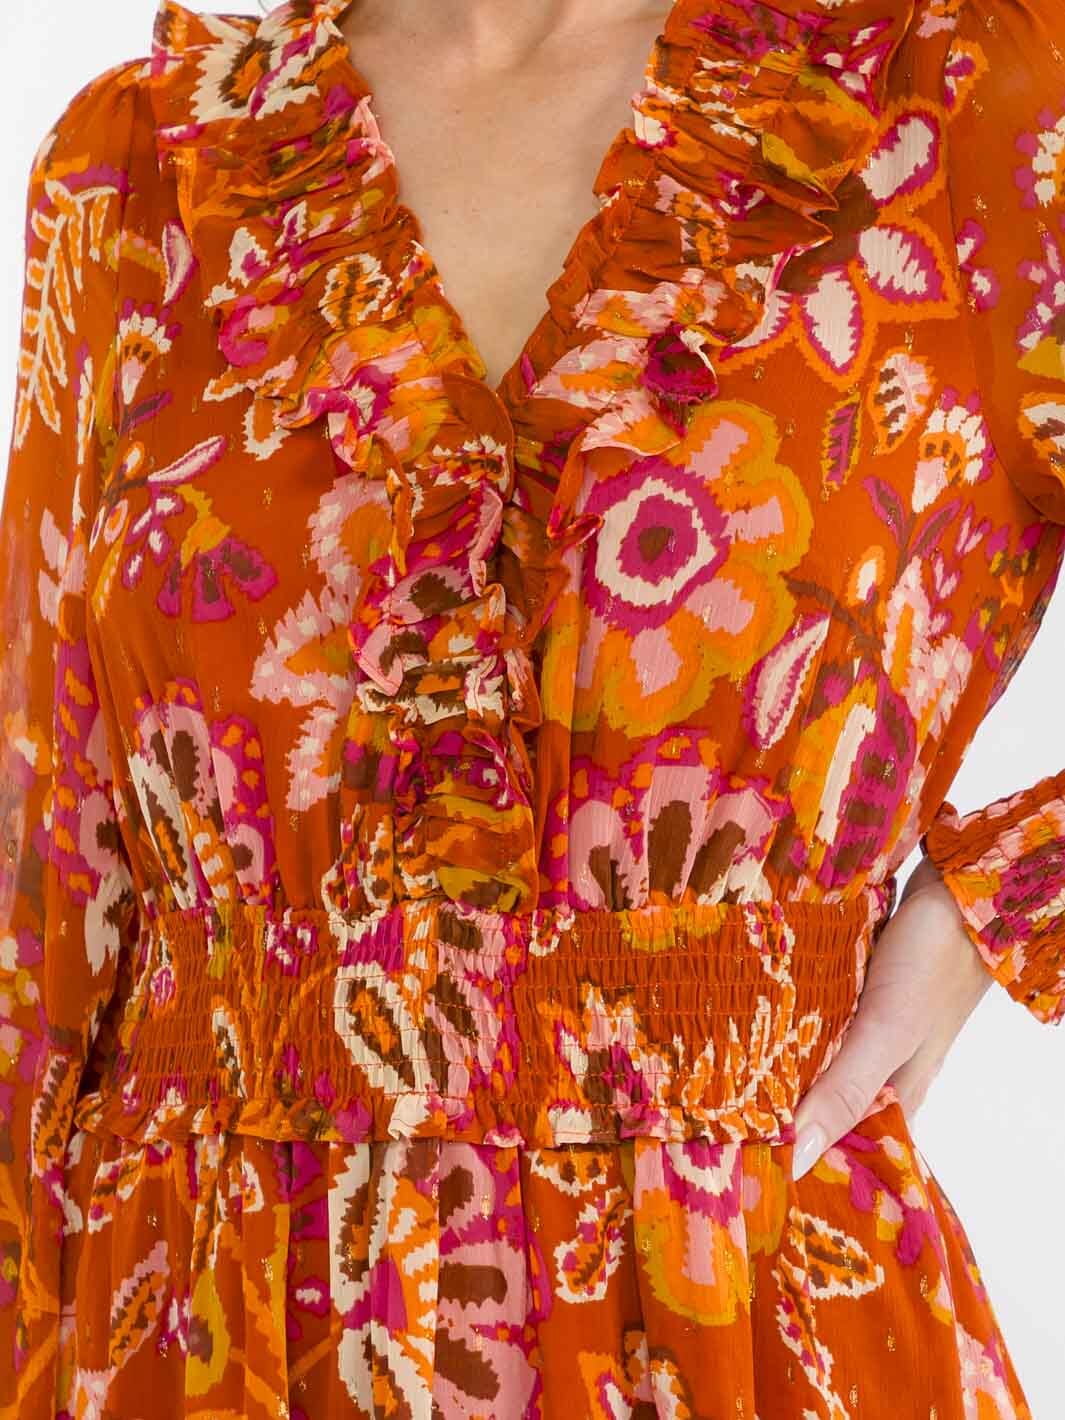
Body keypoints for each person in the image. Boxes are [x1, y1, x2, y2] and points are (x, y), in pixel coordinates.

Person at [0, 0, 1062, 1414]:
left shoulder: (962, 102)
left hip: (737, 1312)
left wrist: (998, 903)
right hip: (197, 1319)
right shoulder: (148, 162)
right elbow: (45, 864)